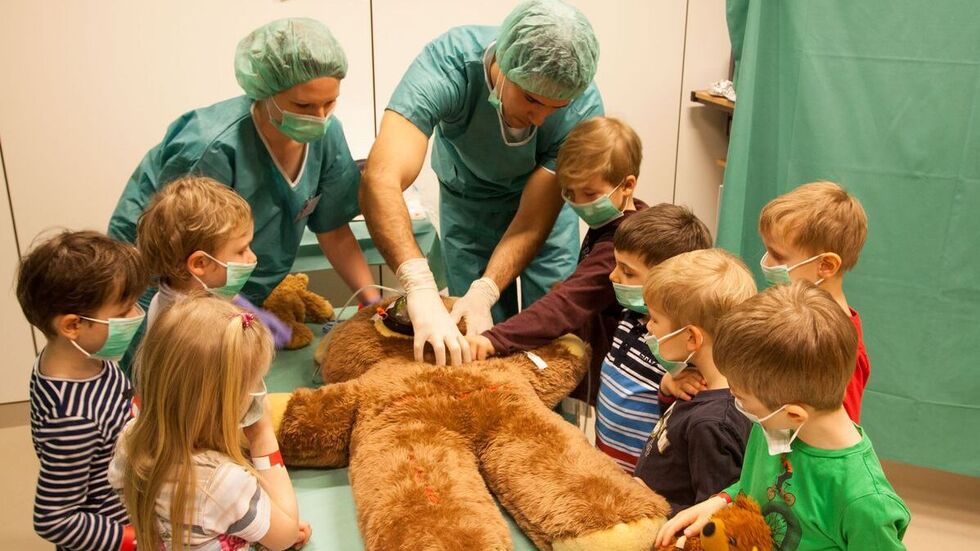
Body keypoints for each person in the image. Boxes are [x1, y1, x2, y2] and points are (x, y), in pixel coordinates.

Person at [360, 0, 603, 366]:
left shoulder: (582, 107)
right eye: (531, 99)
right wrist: (418, 283)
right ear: (502, 65)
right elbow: (381, 178)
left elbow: (534, 219)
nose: (539, 119)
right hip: (469, 208)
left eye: (556, 108)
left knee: (550, 334)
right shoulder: (449, 67)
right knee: (476, 340)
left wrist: (488, 289)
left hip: (541, 220)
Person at [109, 17, 378, 312]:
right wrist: (247, 315)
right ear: (265, 91)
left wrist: (373, 302)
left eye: (330, 102)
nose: (319, 117)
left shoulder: (327, 136)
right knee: (176, 353)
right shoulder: (211, 147)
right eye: (303, 106)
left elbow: (334, 231)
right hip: (169, 282)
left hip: (230, 283)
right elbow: (183, 263)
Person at [655, 282, 910, 550]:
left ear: (793, 414)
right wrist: (720, 501)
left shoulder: (865, 502)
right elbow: (754, 488)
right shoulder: (774, 427)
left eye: (742, 399)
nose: (734, 400)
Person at [109, 296, 312, 550]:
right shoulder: (224, 482)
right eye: (253, 386)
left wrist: (259, 519)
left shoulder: (130, 439)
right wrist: (262, 436)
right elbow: (284, 536)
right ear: (220, 405)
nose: (259, 394)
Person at [466, 117, 645, 398]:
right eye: (570, 193)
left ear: (627, 185)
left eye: (590, 193)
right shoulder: (622, 220)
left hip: (627, 385)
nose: (580, 203)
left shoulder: (622, 245)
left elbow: (567, 304)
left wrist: (494, 339)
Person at [16, 230, 148, 551]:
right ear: (72, 325)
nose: (136, 316)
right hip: (118, 534)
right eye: (123, 312)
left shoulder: (86, 357)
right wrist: (137, 540)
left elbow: (118, 401)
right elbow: (54, 518)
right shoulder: (73, 420)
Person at [633, 249, 756, 514]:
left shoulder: (711, 424)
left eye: (655, 319)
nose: (648, 328)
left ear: (691, 338)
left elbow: (712, 520)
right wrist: (668, 388)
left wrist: (655, 507)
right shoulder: (698, 383)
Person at [594, 205, 713, 472]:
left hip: (640, 479)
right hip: (603, 461)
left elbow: (680, 426)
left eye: (628, 271)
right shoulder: (628, 316)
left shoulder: (677, 346)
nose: (613, 276)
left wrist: (667, 389)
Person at [758, 181, 870, 423]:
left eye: (778, 255)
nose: (767, 263)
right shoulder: (791, 311)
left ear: (826, 265)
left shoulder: (840, 353)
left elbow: (839, 440)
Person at [136, 176, 290, 346]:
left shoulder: (170, 294)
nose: (252, 257)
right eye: (241, 250)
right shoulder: (198, 331)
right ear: (199, 263)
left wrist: (240, 303)